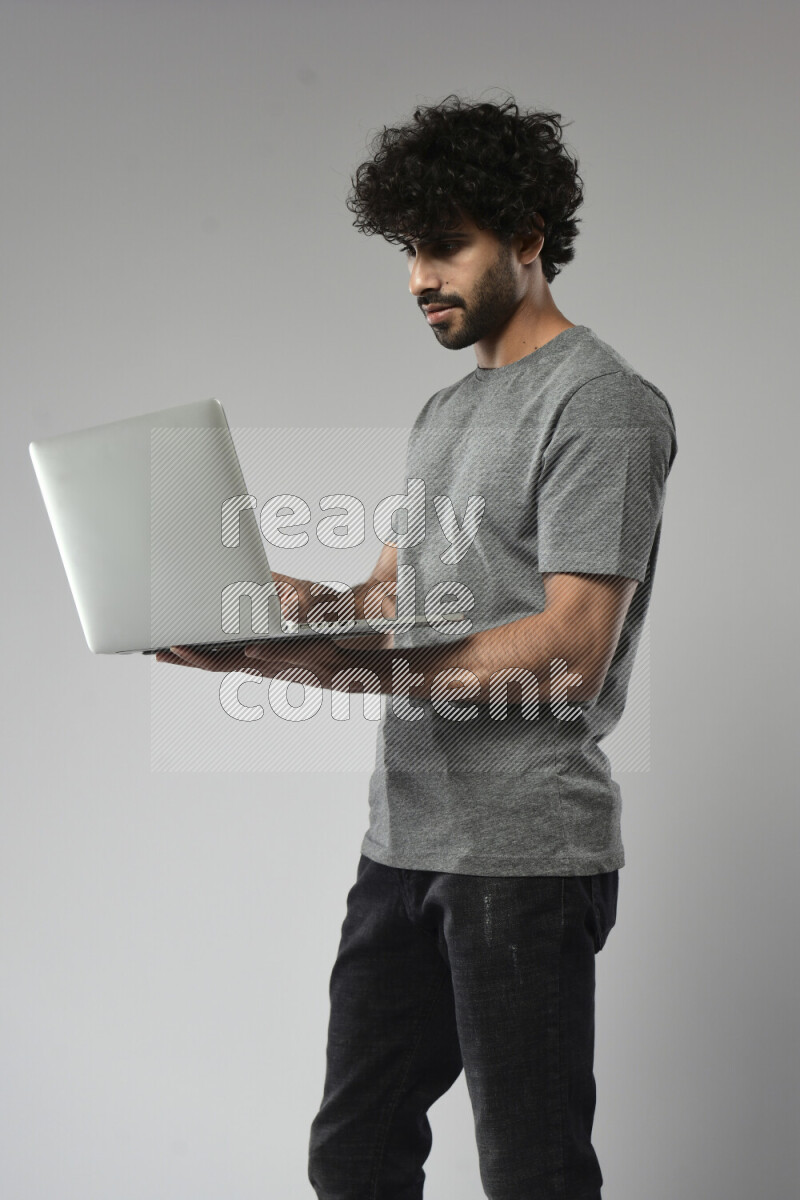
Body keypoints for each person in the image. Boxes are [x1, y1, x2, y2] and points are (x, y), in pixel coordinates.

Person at [158, 93, 678, 1200]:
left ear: (528, 242)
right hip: (403, 840)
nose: (417, 279)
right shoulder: (445, 412)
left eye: (443, 248)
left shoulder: (601, 406)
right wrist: (295, 615)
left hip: (523, 858)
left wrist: (329, 669)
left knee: (530, 1172)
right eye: (406, 251)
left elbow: (570, 648)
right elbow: (402, 597)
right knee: (354, 1156)